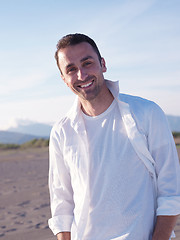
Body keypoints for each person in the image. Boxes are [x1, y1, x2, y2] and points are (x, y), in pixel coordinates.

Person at [48, 33, 180, 240]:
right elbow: (61, 202)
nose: (82, 75)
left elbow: (171, 189)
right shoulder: (61, 132)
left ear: (103, 64)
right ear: (64, 79)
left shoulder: (146, 113)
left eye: (87, 63)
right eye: (71, 69)